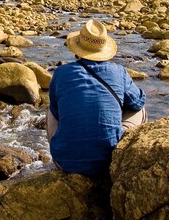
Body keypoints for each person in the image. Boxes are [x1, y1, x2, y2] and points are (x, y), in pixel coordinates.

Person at [47, 19, 147, 177]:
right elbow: (138, 101)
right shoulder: (119, 71)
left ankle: (66, 149)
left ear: (77, 50)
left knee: (52, 108)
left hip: (66, 162)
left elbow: (56, 112)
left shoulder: (61, 72)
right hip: (108, 162)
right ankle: (119, 148)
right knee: (140, 108)